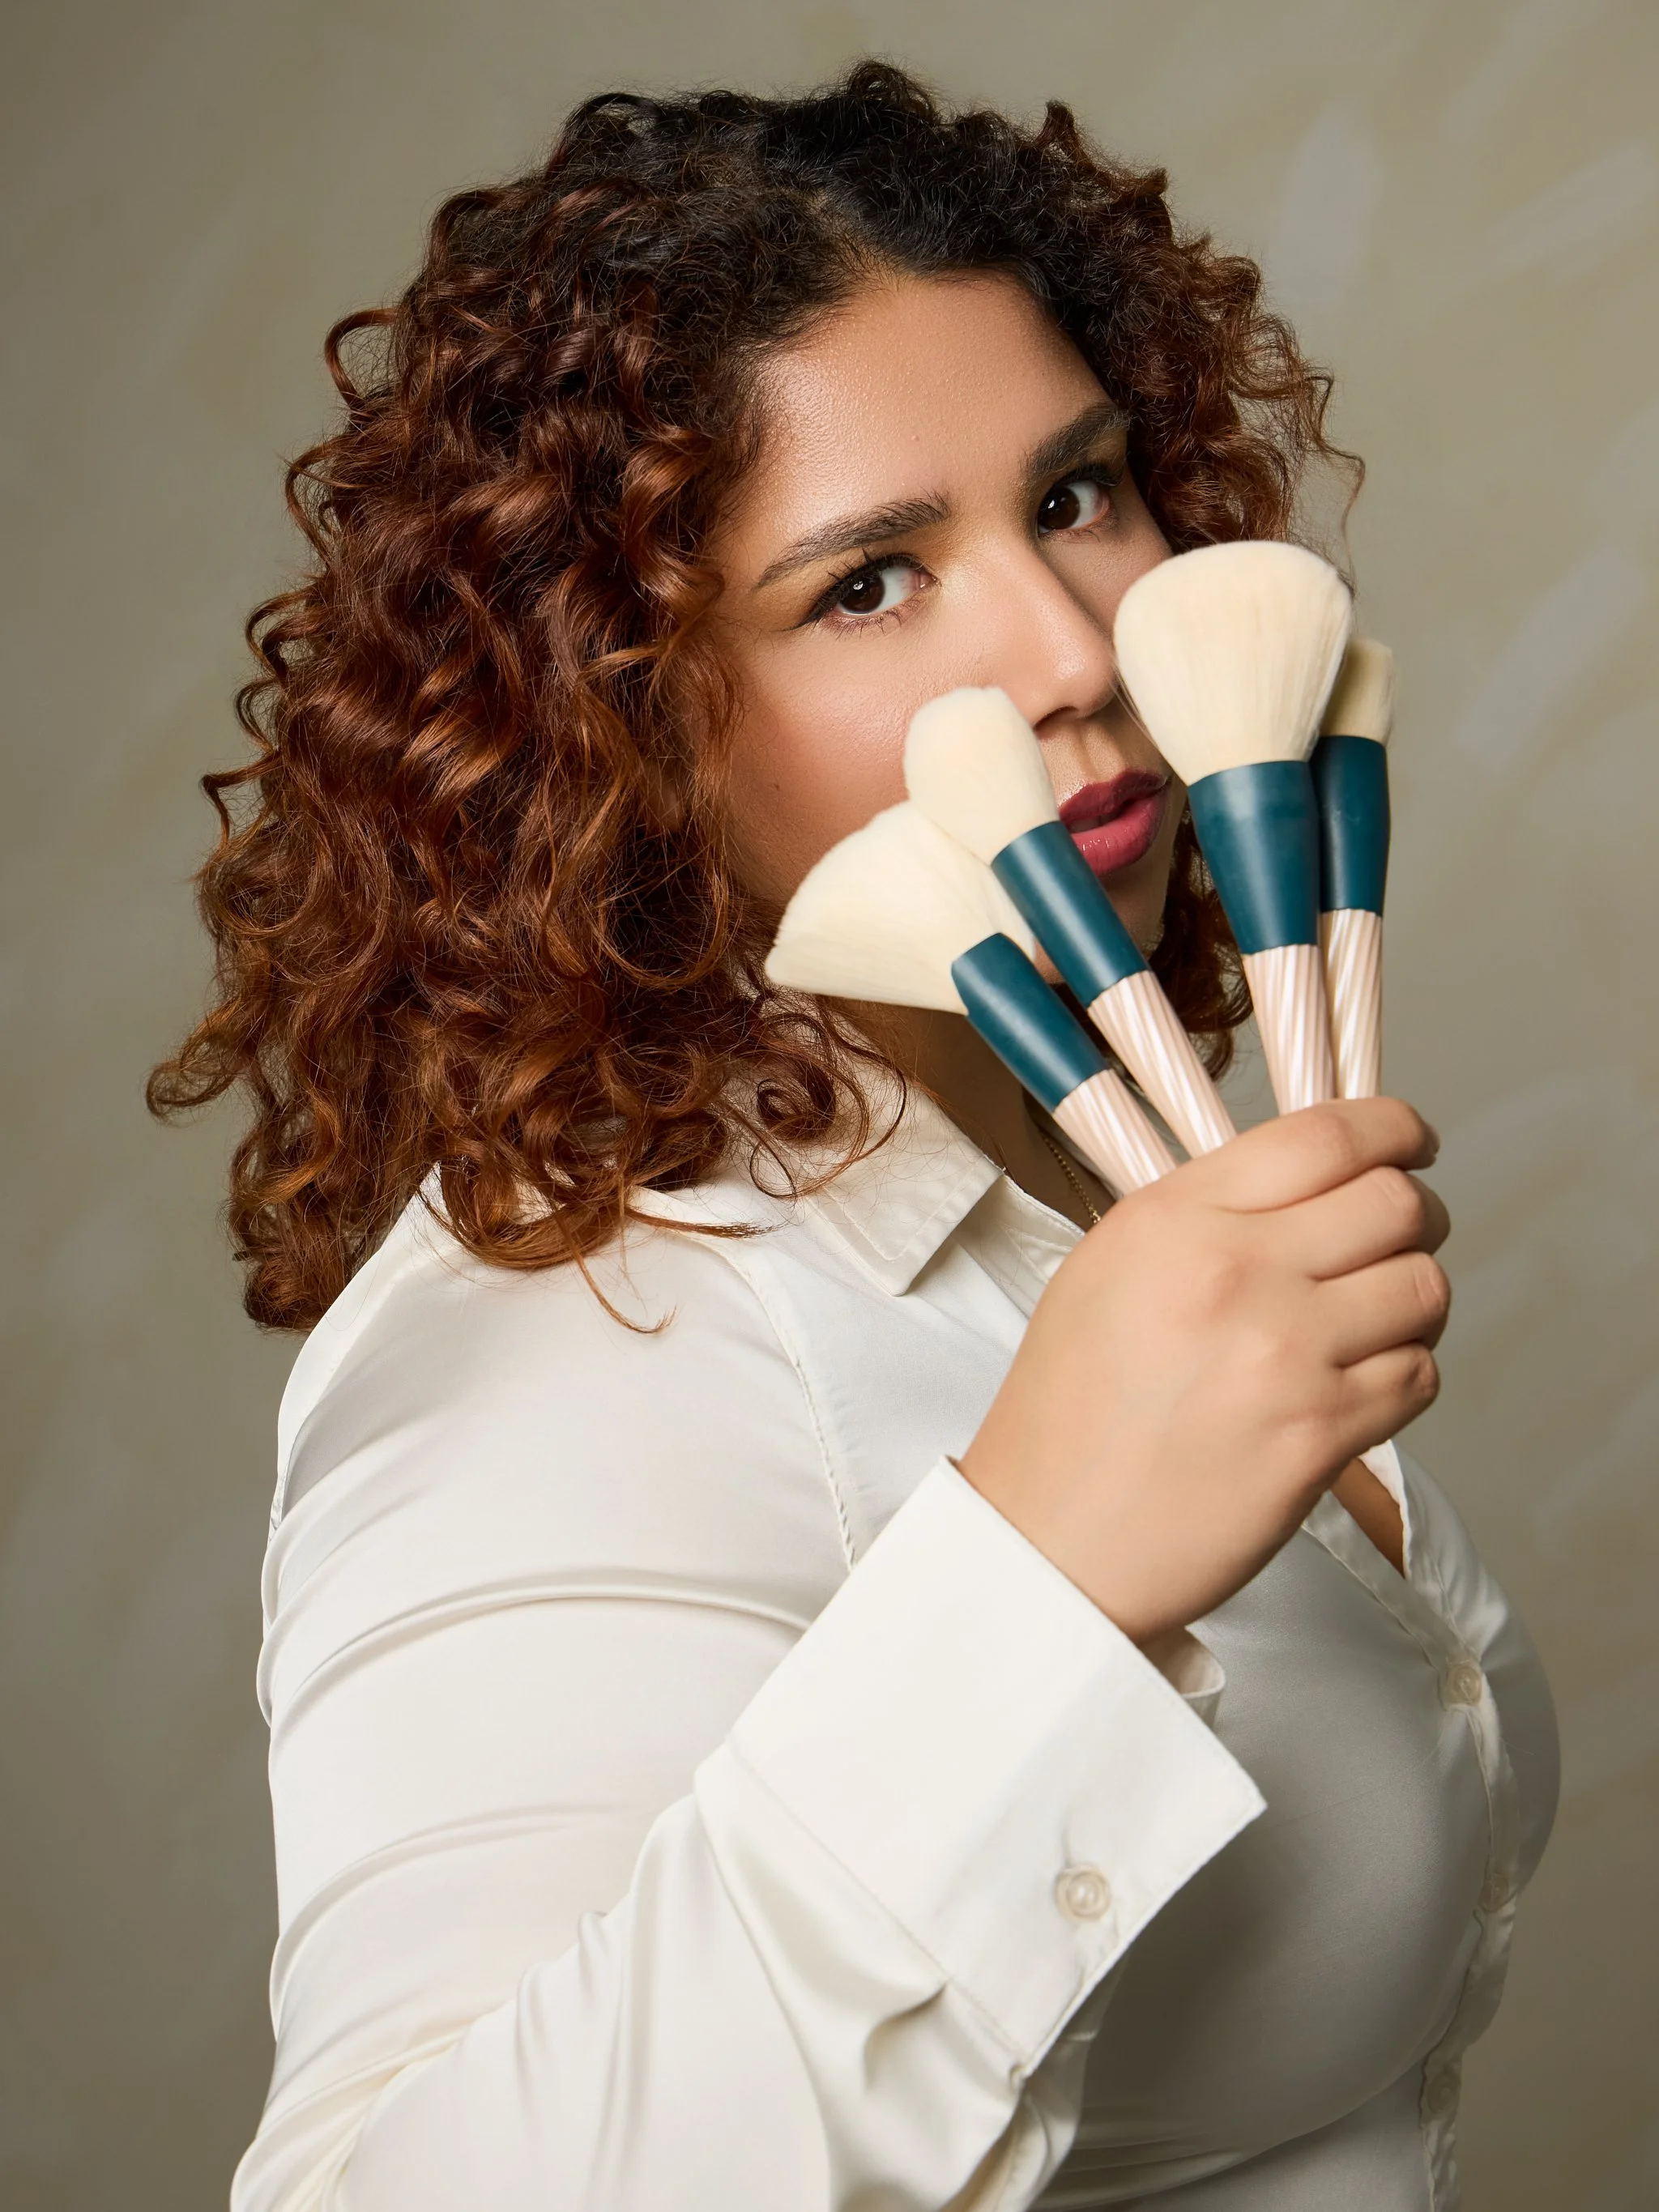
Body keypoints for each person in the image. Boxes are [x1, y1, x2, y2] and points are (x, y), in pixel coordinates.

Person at [149, 63, 1558, 2212]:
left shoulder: (1082, 1183)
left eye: (1078, 492)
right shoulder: (579, 1342)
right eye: (870, 586)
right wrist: (1046, 1579)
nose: (1077, 654)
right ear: (626, 723)